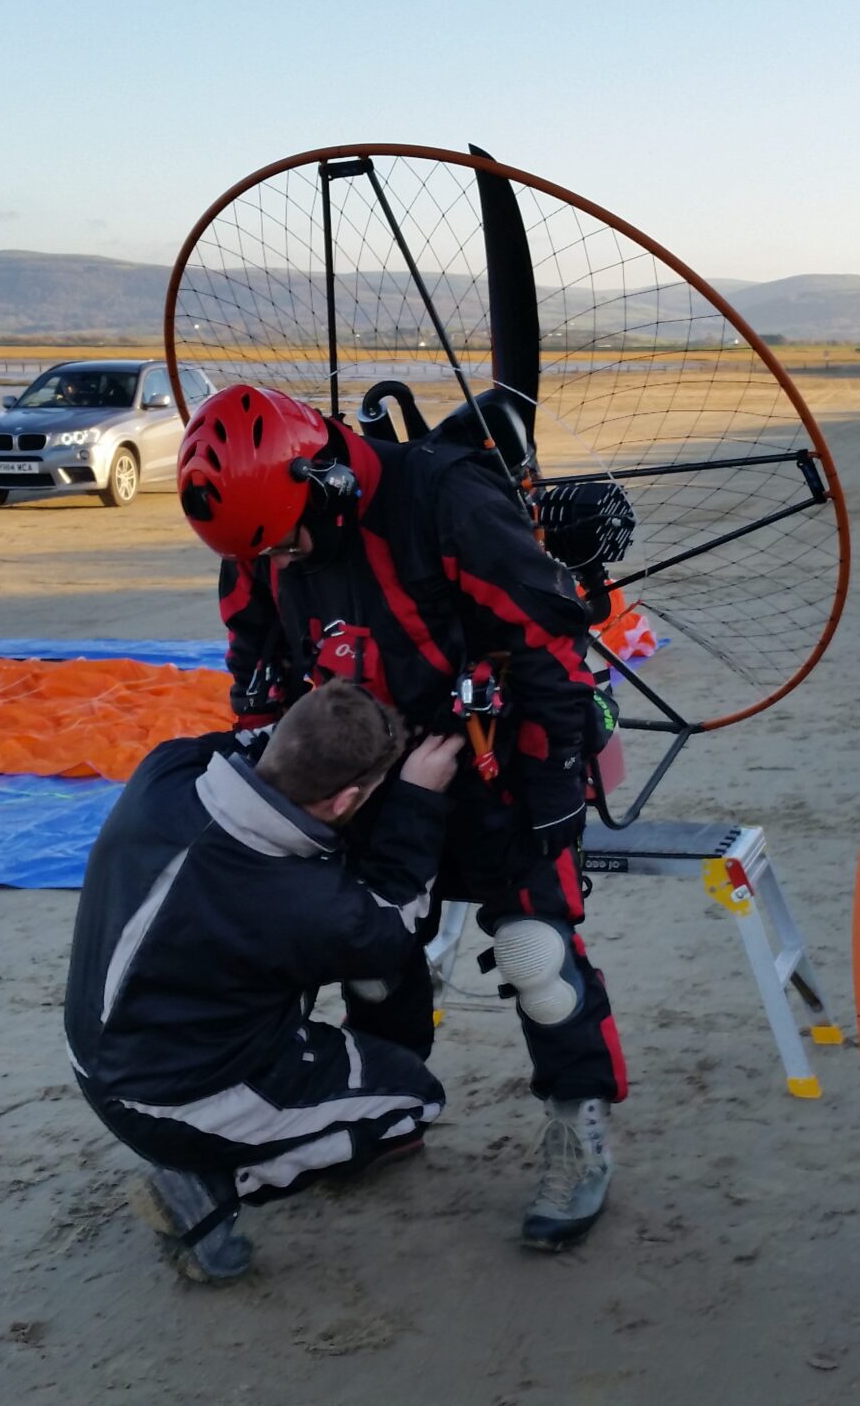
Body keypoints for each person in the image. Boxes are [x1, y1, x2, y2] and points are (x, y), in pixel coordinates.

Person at [176, 383, 624, 1251]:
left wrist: (553, 783)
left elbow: (548, 642)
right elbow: (254, 656)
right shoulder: (261, 535)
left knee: (537, 952)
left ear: (327, 481)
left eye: (294, 539)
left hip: (496, 756)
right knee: (372, 954)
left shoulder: (445, 499)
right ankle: (384, 1113)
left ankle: (579, 1127)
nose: (289, 559)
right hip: (373, 768)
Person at [65, 680, 462, 1280]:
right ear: (344, 801)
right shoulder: (302, 904)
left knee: (324, 1048)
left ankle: (219, 1145)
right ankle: (208, 1187)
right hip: (175, 1096)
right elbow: (390, 930)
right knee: (414, 1099)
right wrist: (415, 799)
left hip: (97, 1047)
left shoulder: (166, 771)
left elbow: (236, 743)